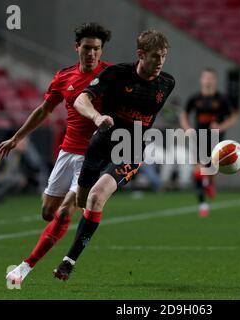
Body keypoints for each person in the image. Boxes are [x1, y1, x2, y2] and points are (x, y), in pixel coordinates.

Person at [52, 29, 175, 281]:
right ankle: (67, 212)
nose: (160, 62)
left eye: (163, 56)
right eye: (155, 56)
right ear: (140, 54)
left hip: (129, 150)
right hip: (100, 144)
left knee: (96, 198)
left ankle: (68, 261)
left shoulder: (167, 83)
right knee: (80, 203)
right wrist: (97, 117)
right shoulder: (117, 74)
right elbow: (80, 101)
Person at [0, 23, 112, 285]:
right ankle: (71, 211)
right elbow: (43, 110)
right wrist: (16, 138)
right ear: (77, 48)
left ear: (101, 50)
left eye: (96, 49)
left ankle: (24, 268)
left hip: (92, 156)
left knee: (62, 213)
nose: (91, 54)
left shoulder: (110, 75)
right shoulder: (64, 77)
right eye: (87, 48)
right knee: (48, 212)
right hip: (66, 153)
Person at [180, 68, 238, 217]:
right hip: (199, 139)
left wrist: (221, 126)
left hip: (216, 140)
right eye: (205, 78)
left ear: (215, 80)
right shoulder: (195, 98)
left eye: (211, 78)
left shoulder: (221, 99)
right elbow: (184, 113)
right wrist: (187, 129)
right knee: (198, 171)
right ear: (201, 80)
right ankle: (203, 205)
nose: (208, 81)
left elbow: (233, 117)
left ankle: (210, 184)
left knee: (211, 170)